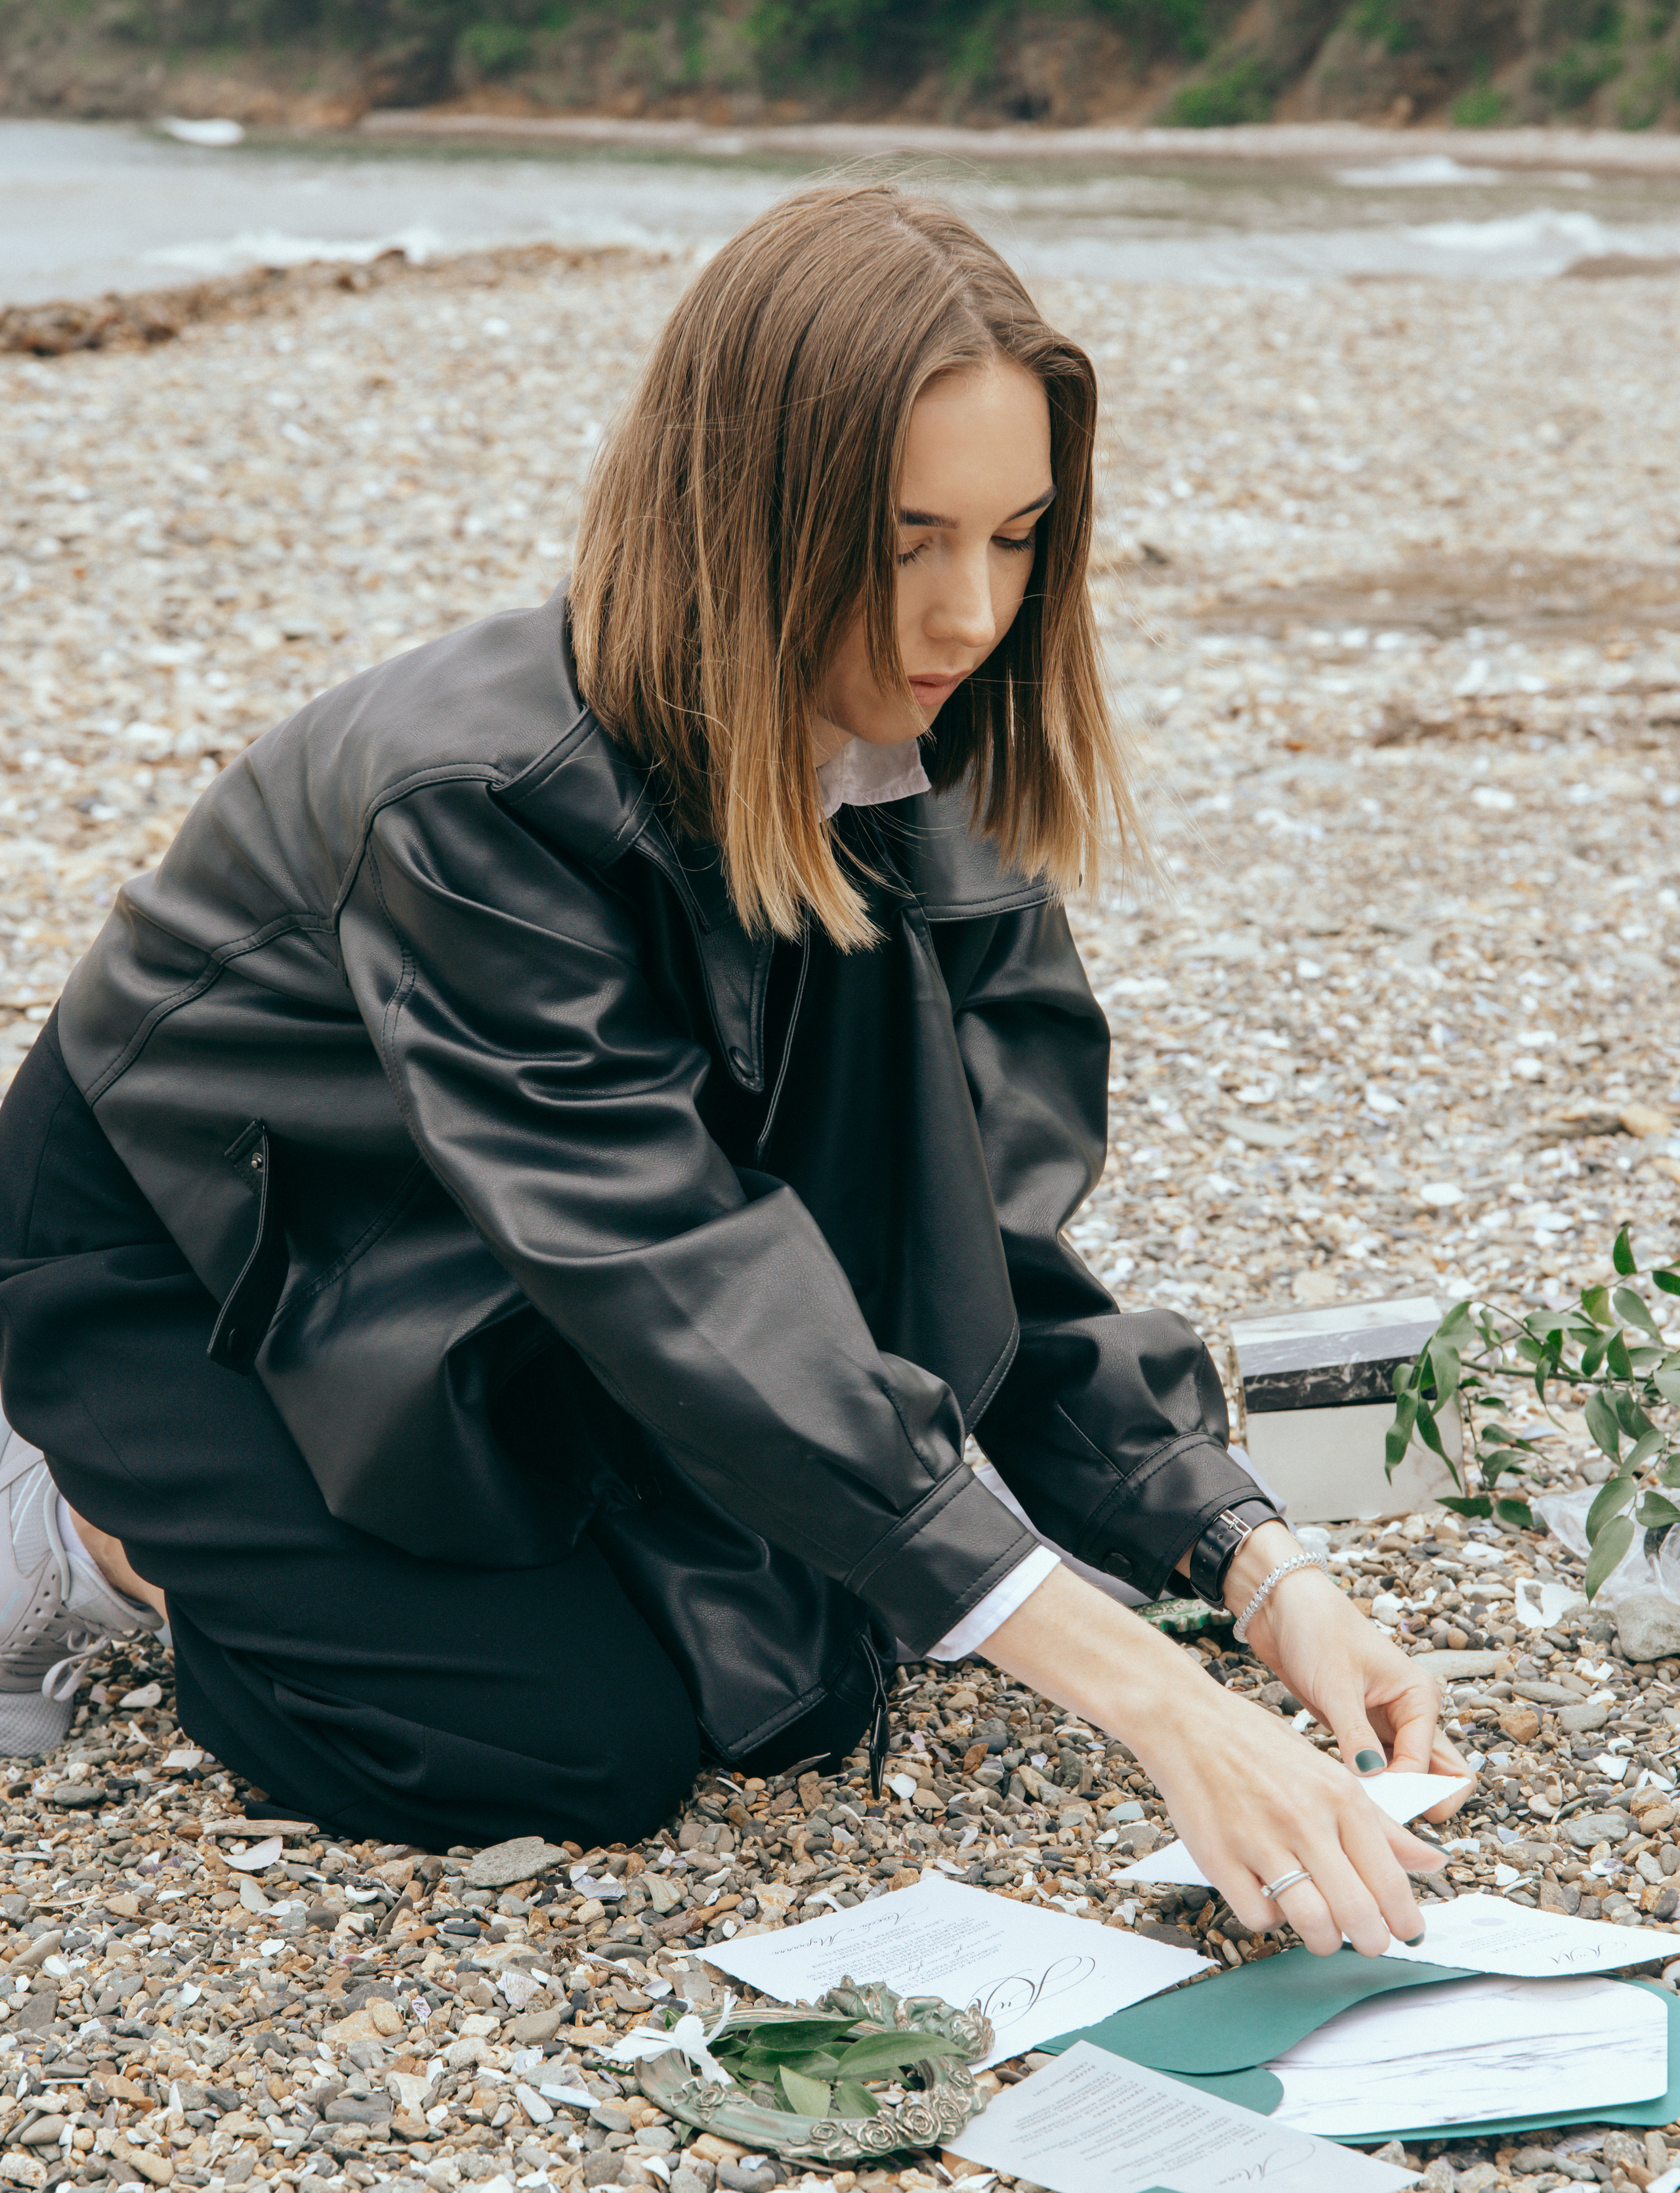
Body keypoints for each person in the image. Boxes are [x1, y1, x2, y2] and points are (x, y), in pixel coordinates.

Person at [0, 183, 1468, 1952]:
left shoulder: (923, 761)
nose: (967, 613)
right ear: (743, 508)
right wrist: (1158, 1707)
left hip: (506, 1249)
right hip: (211, 1258)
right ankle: (81, 1530)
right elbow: (665, 1261)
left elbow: (987, 1258)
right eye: (906, 536)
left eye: (1017, 538)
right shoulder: (480, 796)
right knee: (565, 1741)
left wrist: (1253, 1563)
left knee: (804, 1666)